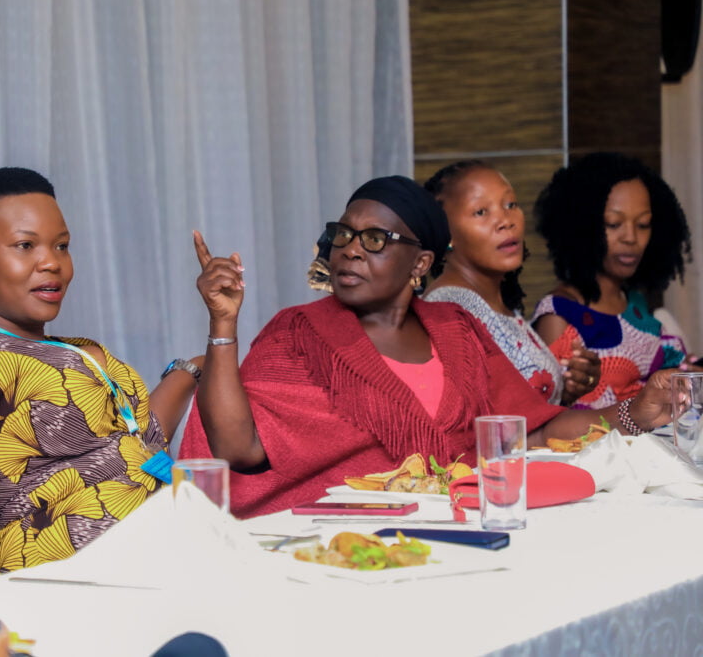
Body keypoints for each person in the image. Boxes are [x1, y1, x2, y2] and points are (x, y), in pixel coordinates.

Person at [180, 175, 675, 518]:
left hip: (459, 538)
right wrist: (223, 321)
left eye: (376, 239)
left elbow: (534, 431)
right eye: (344, 235)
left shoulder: (457, 330)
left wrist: (637, 412)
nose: (351, 248)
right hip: (328, 547)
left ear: (420, 264)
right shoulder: (299, 332)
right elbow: (234, 447)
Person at [0, 168, 201, 571]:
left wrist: (203, 355)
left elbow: (142, 440)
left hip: (180, 548)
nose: (51, 263)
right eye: (25, 246)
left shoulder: (82, 352)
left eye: (61, 246)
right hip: (77, 586)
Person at [423, 160, 600, 406]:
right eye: (481, 212)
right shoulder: (450, 310)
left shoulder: (496, 306)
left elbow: (520, 411)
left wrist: (568, 391)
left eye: (510, 205)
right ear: (445, 233)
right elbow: (473, 422)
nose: (506, 220)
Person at [532, 152, 692, 409]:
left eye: (643, 225)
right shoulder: (559, 314)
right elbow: (548, 415)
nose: (631, 238)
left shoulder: (634, 303)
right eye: (614, 224)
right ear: (582, 227)